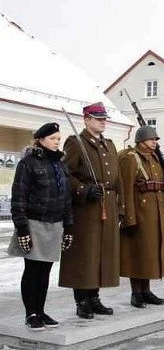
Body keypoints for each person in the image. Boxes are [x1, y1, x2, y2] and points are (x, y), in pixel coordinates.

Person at [59, 102, 122, 319]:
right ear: (86, 119)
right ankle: (82, 300)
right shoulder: (77, 143)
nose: (103, 121)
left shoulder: (109, 145)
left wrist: (120, 205)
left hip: (108, 204)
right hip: (86, 207)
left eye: (104, 118)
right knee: (85, 253)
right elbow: (65, 173)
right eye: (98, 118)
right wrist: (84, 190)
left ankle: (94, 297)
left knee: (102, 253)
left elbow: (117, 177)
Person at [10, 122, 73, 330]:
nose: (57, 142)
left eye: (58, 139)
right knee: (33, 269)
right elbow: (19, 197)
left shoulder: (60, 164)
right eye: (53, 139)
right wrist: (22, 228)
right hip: (34, 223)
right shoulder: (28, 163)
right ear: (41, 139)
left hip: (55, 224)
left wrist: (69, 227)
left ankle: (41, 310)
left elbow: (66, 198)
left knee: (45, 270)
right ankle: (31, 313)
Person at [118, 126, 164, 308]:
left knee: (150, 254)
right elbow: (126, 188)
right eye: (151, 140)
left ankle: (146, 290)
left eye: (155, 140)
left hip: (156, 212)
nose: (155, 143)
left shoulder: (156, 158)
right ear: (141, 141)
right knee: (138, 253)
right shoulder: (131, 158)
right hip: (140, 212)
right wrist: (128, 216)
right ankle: (136, 293)